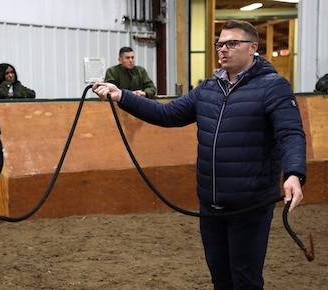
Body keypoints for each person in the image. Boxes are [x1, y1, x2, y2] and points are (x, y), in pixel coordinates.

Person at [93, 20, 306, 290]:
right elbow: (167, 114)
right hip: (211, 203)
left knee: (245, 278)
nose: (223, 49)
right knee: (220, 277)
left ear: (253, 47)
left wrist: (294, 173)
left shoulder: (273, 87)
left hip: (249, 203)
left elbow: (290, 133)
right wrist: (121, 95)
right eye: (220, 44)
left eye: (232, 43)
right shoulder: (207, 89)